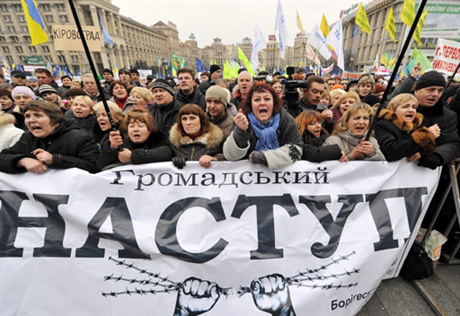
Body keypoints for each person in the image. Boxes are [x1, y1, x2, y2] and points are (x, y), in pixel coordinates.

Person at [0, 101, 99, 174]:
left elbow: (94, 167)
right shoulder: (27, 138)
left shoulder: (80, 138)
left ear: (55, 121)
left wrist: (55, 159)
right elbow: (3, 157)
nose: (31, 120)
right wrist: (22, 161)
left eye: (38, 115)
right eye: (27, 116)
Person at [223, 84, 303, 170]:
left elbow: (296, 149)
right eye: (257, 100)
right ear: (251, 104)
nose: (262, 103)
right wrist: (240, 132)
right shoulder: (242, 119)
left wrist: (264, 157)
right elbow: (230, 155)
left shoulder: (285, 119)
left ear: (274, 103)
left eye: (267, 99)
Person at [97, 107, 172, 170]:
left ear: (149, 129)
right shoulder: (120, 142)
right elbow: (100, 165)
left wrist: (132, 156)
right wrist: (111, 149)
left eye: (140, 126)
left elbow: (166, 153)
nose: (135, 129)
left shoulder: (159, 140)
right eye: (131, 126)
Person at [375, 93, 437, 162]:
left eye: (414, 107)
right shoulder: (382, 125)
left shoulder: (416, 126)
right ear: (393, 110)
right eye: (405, 107)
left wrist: (420, 153)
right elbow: (391, 152)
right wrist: (423, 137)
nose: (411, 110)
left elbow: (431, 152)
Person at [170, 103, 224, 169]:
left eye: (192, 118)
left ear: (201, 120)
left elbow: (229, 157)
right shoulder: (174, 144)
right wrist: (172, 160)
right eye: (184, 119)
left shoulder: (216, 142)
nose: (188, 123)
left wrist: (215, 158)